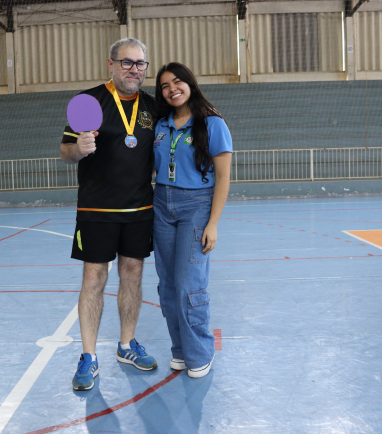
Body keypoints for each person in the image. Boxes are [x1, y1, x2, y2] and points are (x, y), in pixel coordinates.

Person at [60, 38, 158, 391]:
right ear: (111, 64)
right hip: (96, 210)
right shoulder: (90, 101)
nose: (134, 69)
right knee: (93, 279)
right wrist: (78, 148)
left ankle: (127, 344)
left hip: (139, 210)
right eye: (127, 62)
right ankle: (88, 356)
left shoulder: (153, 106)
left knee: (133, 275)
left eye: (140, 63)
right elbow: (65, 151)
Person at [152, 62, 232, 378]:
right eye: (165, 86)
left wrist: (213, 224)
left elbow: (223, 178)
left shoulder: (212, 123)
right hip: (162, 204)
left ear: (190, 83)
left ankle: (199, 352)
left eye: (177, 82)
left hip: (196, 206)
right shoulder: (161, 126)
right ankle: (180, 351)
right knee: (168, 286)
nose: (172, 89)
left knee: (189, 284)